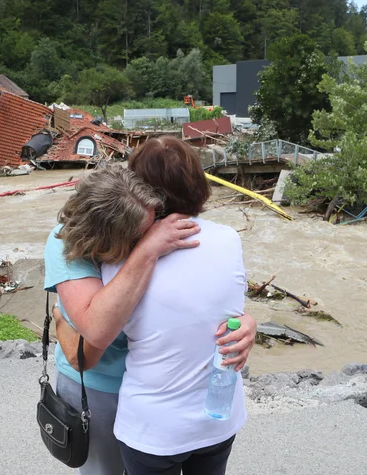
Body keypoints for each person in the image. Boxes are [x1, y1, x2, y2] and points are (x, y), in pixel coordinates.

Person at [44, 163, 256, 474]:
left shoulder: (154, 226)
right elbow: (87, 350)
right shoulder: (67, 243)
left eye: (154, 219)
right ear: (110, 239)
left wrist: (245, 321)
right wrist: (146, 252)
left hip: (154, 387)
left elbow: (198, 296)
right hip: (101, 388)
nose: (155, 229)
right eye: (142, 233)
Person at [103, 136, 248, 475]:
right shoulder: (229, 239)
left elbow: (103, 330)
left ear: (136, 189)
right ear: (198, 181)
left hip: (152, 428)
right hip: (218, 419)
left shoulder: (118, 256)